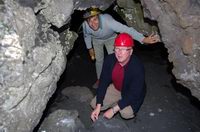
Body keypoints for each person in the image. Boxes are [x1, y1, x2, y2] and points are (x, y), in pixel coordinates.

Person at [82, 7, 159, 89]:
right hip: (97, 40)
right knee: (99, 60)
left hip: (110, 38)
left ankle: (116, 79)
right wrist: (90, 48)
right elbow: (86, 36)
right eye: (89, 21)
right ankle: (100, 79)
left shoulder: (109, 22)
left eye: (95, 19)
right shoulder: (85, 25)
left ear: (99, 16)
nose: (92, 24)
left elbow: (126, 30)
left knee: (115, 59)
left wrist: (142, 39)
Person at [90, 33, 146, 121]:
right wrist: (98, 106)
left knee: (126, 113)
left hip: (131, 91)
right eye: (117, 48)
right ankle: (118, 102)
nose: (119, 53)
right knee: (94, 104)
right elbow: (103, 82)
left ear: (131, 51)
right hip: (117, 88)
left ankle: (119, 104)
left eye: (123, 49)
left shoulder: (137, 67)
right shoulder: (109, 60)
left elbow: (134, 93)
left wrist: (113, 110)